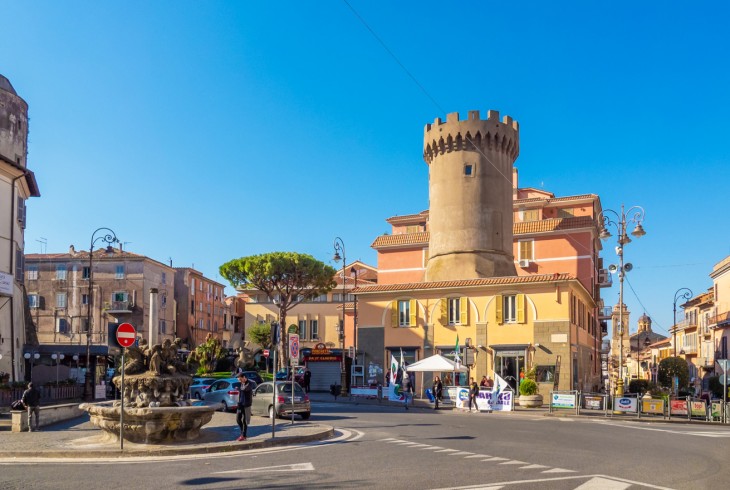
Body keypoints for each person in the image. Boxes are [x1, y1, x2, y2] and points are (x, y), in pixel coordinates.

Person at [235, 373, 253, 441]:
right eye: (238, 379)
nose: (239, 380)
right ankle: (242, 433)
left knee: (245, 421)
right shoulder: (241, 383)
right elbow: (241, 392)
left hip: (246, 405)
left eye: (240, 379)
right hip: (240, 404)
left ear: (244, 377)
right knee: (238, 419)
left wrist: (239, 389)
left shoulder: (249, 383)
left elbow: (246, 389)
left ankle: (243, 435)